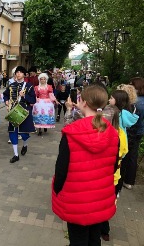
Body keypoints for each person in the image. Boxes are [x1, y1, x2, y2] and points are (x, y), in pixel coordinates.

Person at [52, 85, 119, 246]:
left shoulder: (72, 132)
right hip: (100, 196)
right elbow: (115, 165)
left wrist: (57, 190)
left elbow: (61, 170)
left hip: (76, 198)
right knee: (94, 239)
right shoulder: (112, 132)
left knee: (77, 240)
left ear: (84, 103)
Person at [3, 66, 36, 163]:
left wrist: (24, 96)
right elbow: (5, 95)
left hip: (24, 112)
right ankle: (16, 155)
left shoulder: (29, 86)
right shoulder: (11, 85)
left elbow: (33, 100)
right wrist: (6, 101)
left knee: (25, 133)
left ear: (24, 74)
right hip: (13, 111)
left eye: (20, 72)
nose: (18, 74)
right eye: (17, 72)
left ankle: (25, 145)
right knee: (13, 132)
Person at [120, 78, 144, 190]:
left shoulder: (135, 103)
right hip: (140, 131)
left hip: (130, 131)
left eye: (131, 84)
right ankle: (129, 181)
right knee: (133, 156)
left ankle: (121, 178)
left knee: (125, 154)